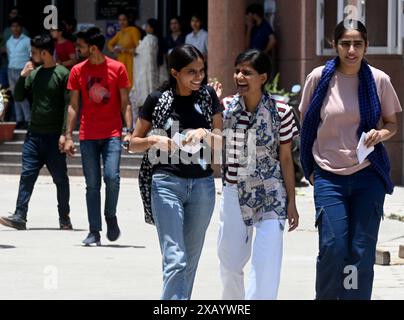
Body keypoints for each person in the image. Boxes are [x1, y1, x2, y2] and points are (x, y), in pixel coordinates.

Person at [299, 20, 402, 300]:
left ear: (366, 46)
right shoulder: (319, 78)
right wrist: (311, 170)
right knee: (333, 247)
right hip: (328, 175)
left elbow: (392, 123)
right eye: (345, 43)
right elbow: (306, 124)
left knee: (360, 251)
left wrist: (380, 133)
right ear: (335, 45)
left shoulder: (379, 80)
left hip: (368, 176)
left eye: (358, 43)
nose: (352, 50)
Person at [129, 44, 223, 300]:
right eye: (191, 72)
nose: (199, 77)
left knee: (188, 263)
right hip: (165, 184)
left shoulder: (208, 97)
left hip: (202, 187)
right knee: (175, 259)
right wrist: (152, 141)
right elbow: (132, 142)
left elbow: (222, 141)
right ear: (175, 72)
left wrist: (205, 133)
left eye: (201, 70)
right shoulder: (157, 99)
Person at [218, 49, 299, 300]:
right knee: (230, 263)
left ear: (263, 77)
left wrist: (292, 202)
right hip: (234, 190)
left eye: (247, 72)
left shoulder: (281, 111)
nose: (240, 76)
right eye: (238, 71)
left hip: (271, 191)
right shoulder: (224, 107)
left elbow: (285, 158)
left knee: (266, 263)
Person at [64, 28, 133, 247]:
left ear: (92, 48)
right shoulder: (77, 70)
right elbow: (73, 106)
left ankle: (110, 216)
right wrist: (67, 135)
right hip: (88, 135)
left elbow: (125, 102)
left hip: (112, 133)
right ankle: (94, 230)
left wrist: (129, 130)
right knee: (92, 185)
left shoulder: (117, 68)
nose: (78, 49)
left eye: (81, 46)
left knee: (112, 178)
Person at [0, 34, 72, 231]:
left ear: (44, 53)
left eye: (33, 52)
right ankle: (20, 215)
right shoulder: (34, 73)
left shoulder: (62, 74)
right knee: (27, 175)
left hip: (53, 137)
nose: (31, 55)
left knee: (60, 179)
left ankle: (64, 217)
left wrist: (65, 133)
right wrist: (23, 77)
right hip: (33, 135)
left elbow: (69, 106)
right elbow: (18, 96)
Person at [130, 18, 168, 127]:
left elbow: (141, 57)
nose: (145, 28)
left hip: (147, 79)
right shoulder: (157, 40)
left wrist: (133, 52)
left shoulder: (148, 40)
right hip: (156, 78)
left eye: (147, 26)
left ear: (151, 28)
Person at [6, 16, 31, 129]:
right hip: (11, 69)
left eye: (17, 26)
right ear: (11, 28)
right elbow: (9, 55)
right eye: (13, 26)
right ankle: (19, 119)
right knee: (15, 96)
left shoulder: (27, 40)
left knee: (23, 95)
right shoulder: (9, 41)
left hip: (23, 70)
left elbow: (31, 56)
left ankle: (28, 119)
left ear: (21, 28)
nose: (15, 28)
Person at [107, 12, 142, 86]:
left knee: (130, 82)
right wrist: (114, 50)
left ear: (128, 20)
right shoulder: (119, 33)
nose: (121, 22)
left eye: (124, 20)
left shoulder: (133, 30)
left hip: (131, 61)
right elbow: (109, 44)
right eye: (120, 20)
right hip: (121, 61)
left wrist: (126, 50)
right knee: (122, 82)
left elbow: (139, 48)